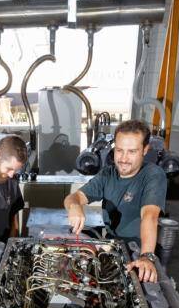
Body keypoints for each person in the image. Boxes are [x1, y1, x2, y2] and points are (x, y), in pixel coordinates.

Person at [63, 119, 167, 282]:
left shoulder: (153, 175)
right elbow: (74, 197)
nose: (123, 158)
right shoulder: (107, 174)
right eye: (119, 150)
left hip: (139, 250)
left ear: (145, 150)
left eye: (132, 151)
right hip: (112, 246)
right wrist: (75, 206)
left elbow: (150, 216)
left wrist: (147, 256)